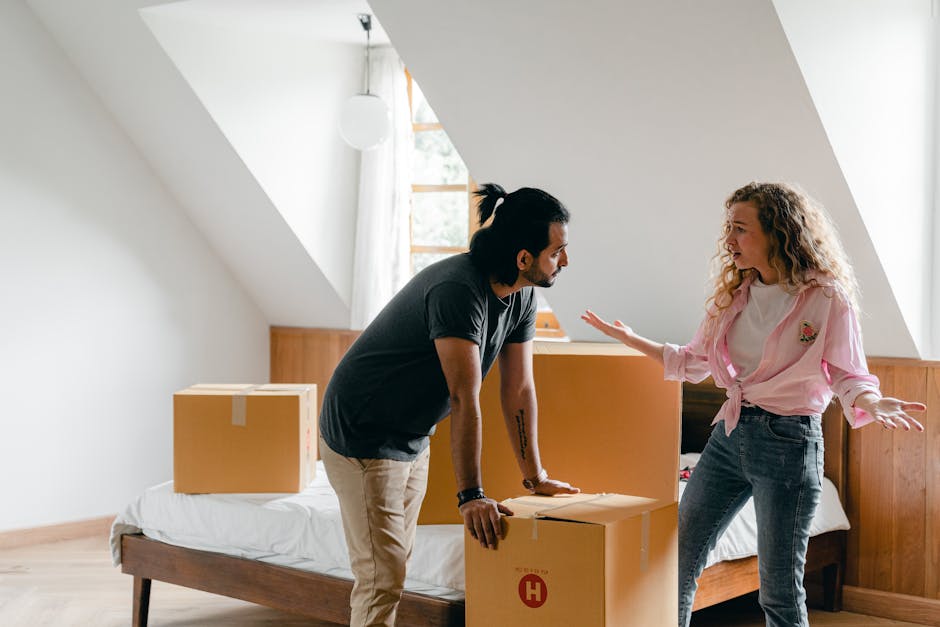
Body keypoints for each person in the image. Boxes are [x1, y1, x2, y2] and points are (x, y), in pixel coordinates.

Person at [581, 181, 926, 627]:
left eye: (740, 229)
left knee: (779, 591)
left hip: (790, 444)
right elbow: (694, 361)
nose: (729, 240)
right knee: (677, 561)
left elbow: (847, 372)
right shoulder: (734, 296)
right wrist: (632, 340)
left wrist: (872, 401)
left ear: (778, 232)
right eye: (729, 228)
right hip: (730, 435)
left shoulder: (825, 297)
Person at [319, 182, 580, 627]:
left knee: (394, 566)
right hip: (362, 432)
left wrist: (535, 476)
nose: (565, 261)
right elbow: (464, 397)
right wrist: (471, 495)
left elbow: (518, 390)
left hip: (412, 434)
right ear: (523, 258)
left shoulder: (522, 296)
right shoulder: (458, 290)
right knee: (382, 578)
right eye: (557, 252)